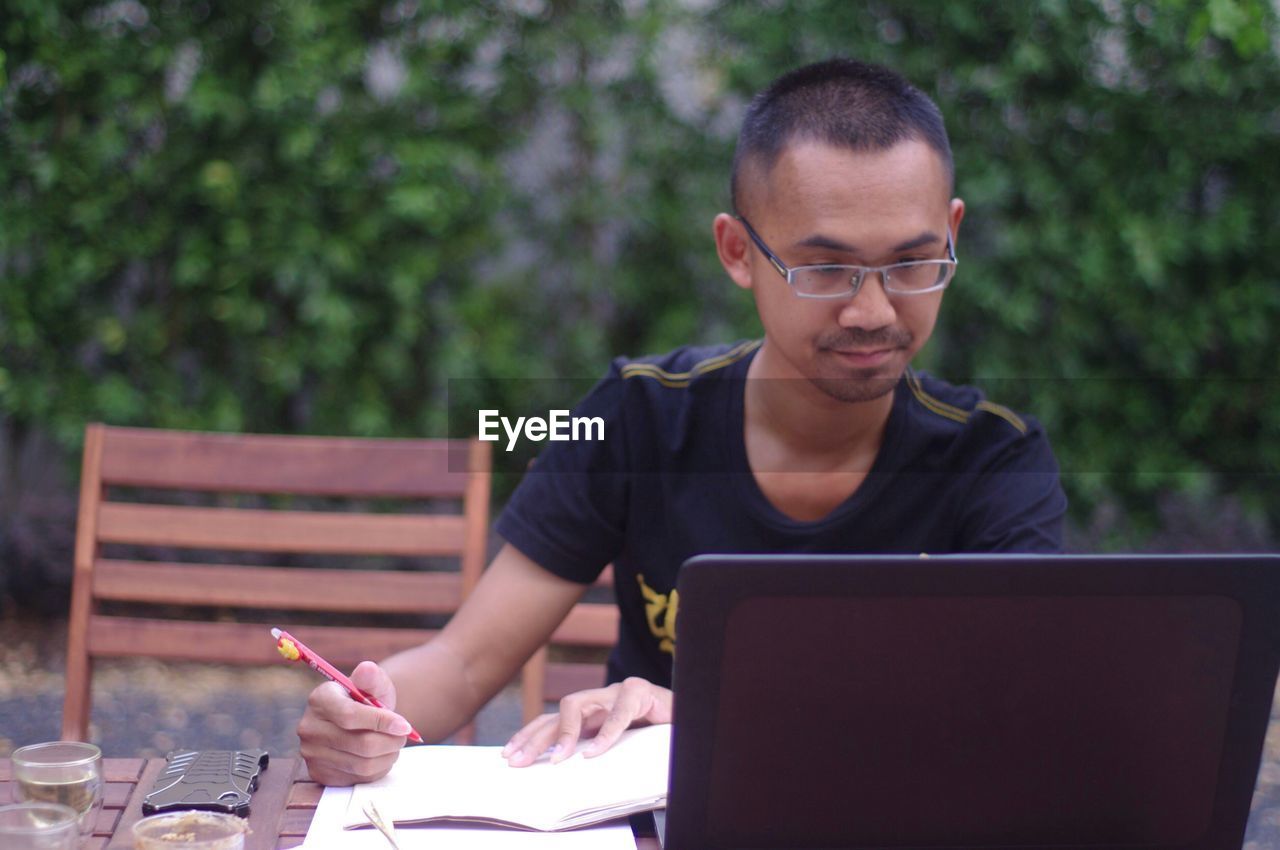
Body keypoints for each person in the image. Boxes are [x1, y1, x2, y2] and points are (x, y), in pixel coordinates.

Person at [297, 57, 1067, 786]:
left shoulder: (995, 463)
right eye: (826, 269)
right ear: (738, 251)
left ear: (952, 236)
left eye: (911, 264)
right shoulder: (636, 418)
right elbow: (464, 664)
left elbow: (1010, 717)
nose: (872, 311)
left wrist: (703, 718)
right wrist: (367, 715)